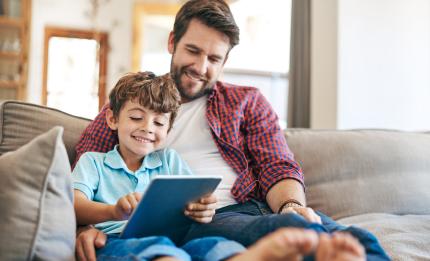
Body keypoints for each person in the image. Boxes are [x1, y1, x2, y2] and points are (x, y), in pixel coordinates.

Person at [73, 0, 389, 260]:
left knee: (360, 241)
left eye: (214, 58)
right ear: (173, 42)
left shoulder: (247, 101)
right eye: (193, 51)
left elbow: (277, 166)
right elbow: (85, 172)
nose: (201, 67)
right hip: (210, 219)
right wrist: (91, 226)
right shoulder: (136, 102)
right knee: (298, 233)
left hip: (262, 206)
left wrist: (292, 205)